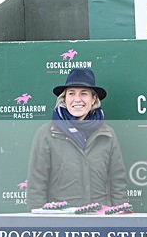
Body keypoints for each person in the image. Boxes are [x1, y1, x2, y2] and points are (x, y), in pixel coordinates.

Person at [26, 68, 128, 210]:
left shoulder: (107, 134)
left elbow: (118, 183)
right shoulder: (47, 133)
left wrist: (120, 216)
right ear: (64, 99)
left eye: (84, 93)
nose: (77, 99)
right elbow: (36, 185)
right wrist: (39, 223)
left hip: (100, 220)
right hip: (61, 223)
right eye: (71, 93)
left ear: (94, 99)